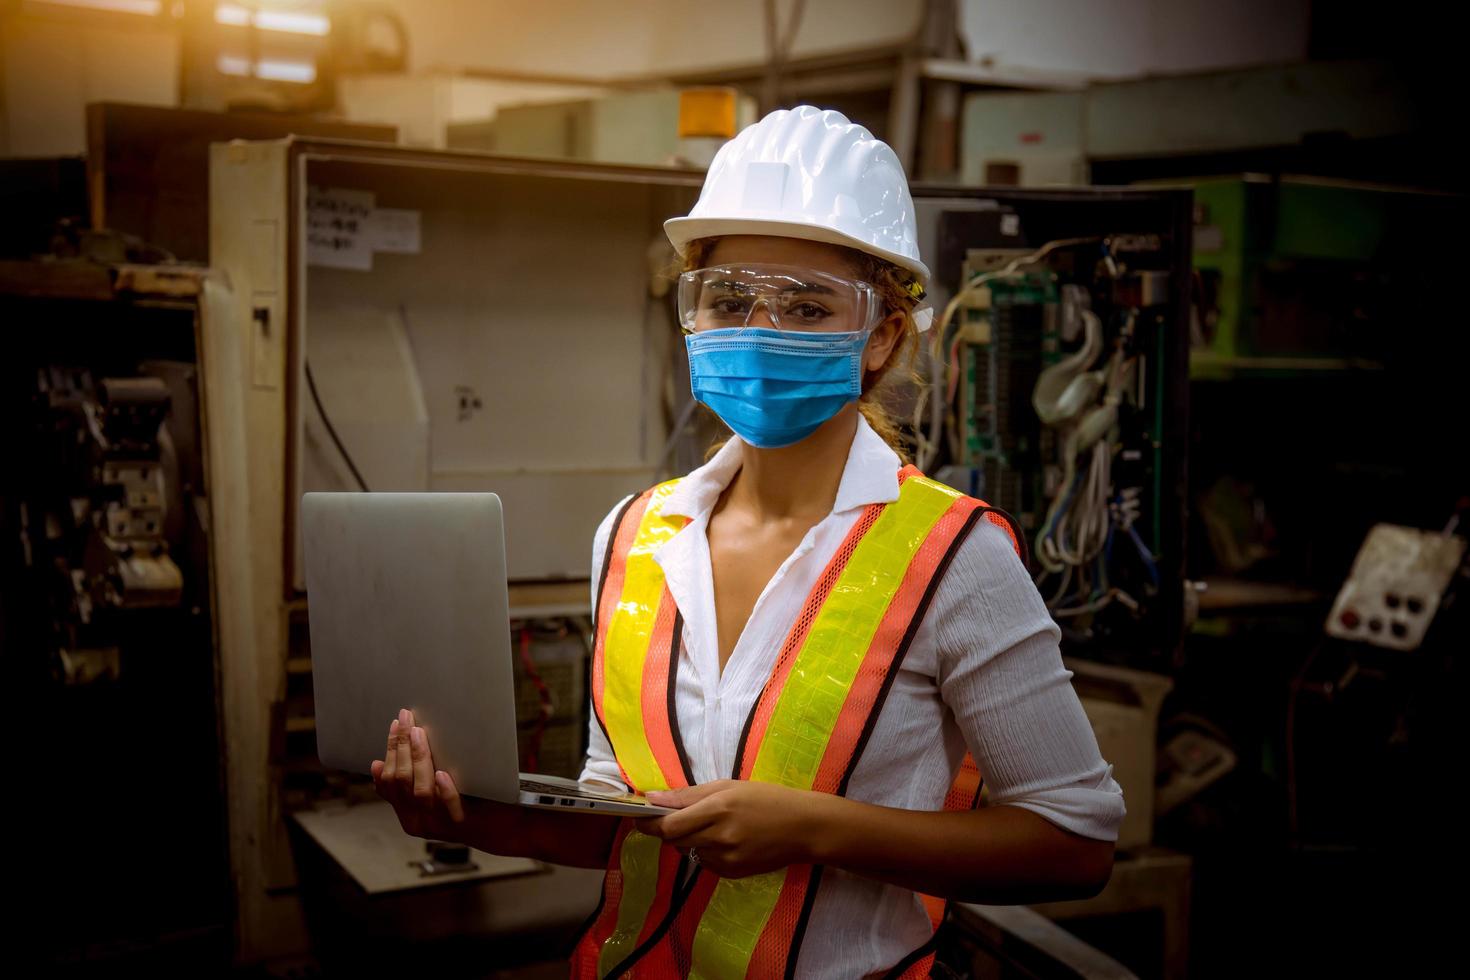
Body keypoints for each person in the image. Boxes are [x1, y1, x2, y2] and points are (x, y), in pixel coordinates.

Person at [373, 105, 1125, 979]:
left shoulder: (956, 558)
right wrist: (470, 817)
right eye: (729, 299)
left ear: (882, 336)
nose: (760, 331)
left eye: (808, 308)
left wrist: (813, 829)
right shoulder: (632, 534)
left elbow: (1076, 843)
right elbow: (634, 824)